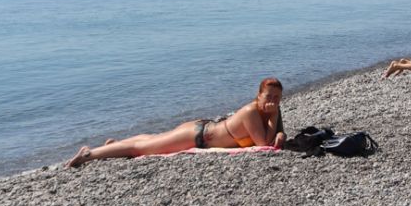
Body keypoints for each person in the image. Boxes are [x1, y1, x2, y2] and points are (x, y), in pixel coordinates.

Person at [66, 78, 286, 167]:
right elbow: (262, 144)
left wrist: (278, 127)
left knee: (152, 140)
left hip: (201, 129)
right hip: (197, 135)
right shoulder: (250, 112)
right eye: (268, 97)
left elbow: (277, 136)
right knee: (140, 149)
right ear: (258, 96)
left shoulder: (271, 111)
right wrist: (274, 118)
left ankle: (115, 144)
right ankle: (89, 154)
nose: (272, 101)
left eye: (276, 98)